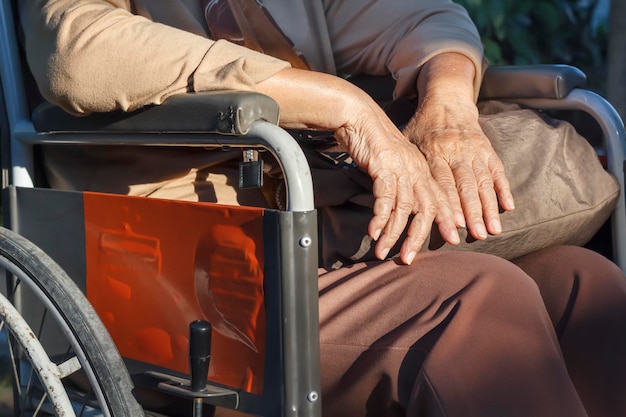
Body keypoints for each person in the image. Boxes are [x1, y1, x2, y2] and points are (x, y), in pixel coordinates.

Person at [20, 0, 626, 416]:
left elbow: (424, 19)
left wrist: (447, 104)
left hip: (317, 227)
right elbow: (76, 56)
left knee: (581, 284)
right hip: (172, 269)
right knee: (476, 303)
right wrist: (341, 103)